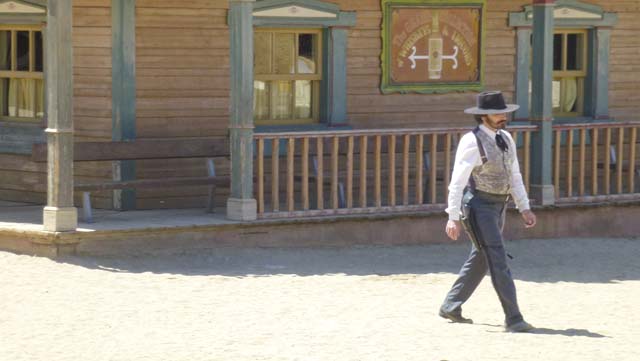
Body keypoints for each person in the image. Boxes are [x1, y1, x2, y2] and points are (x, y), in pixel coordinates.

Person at [438, 91, 537, 333]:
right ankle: (513, 318)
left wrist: (524, 206)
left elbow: (514, 175)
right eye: (497, 113)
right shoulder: (471, 141)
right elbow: (457, 181)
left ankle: (451, 305)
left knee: (483, 257)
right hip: (479, 206)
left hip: (499, 205)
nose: (502, 116)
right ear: (484, 117)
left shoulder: (506, 138)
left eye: (504, 112)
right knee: (497, 258)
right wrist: (452, 217)